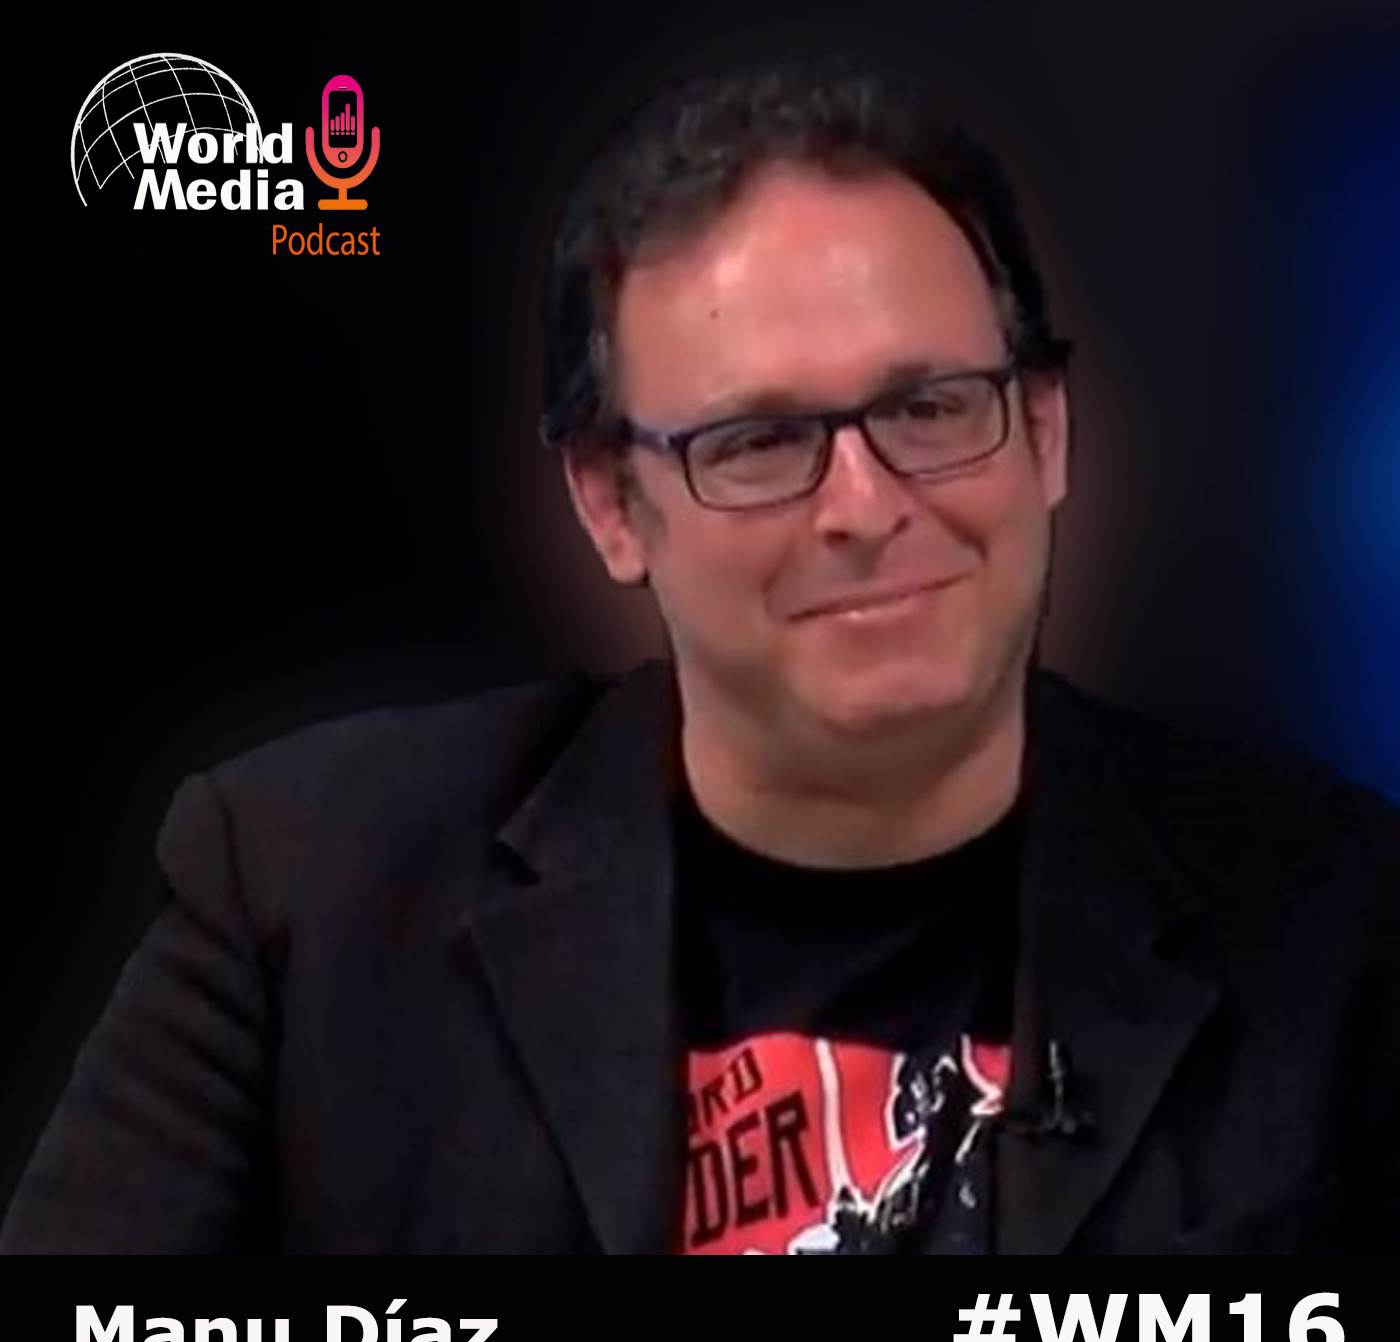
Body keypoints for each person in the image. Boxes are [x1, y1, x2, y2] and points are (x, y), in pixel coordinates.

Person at [3, 59, 1396, 1256]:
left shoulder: (1344, 930)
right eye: (760, 442)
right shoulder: (306, 898)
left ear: (1046, 432)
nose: (865, 506)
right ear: (611, 503)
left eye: (930, 406)